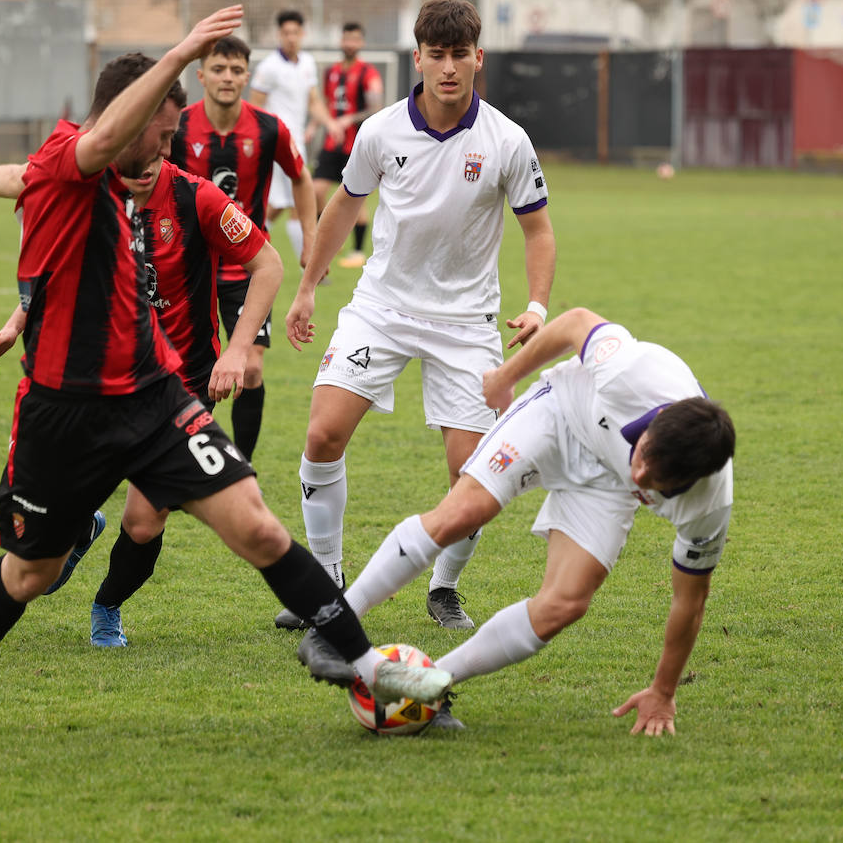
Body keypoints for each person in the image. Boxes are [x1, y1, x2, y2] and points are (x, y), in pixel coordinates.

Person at [0, 6, 452, 730]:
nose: (169, 150)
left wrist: (239, 346)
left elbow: (260, 255)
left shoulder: (172, 188)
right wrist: (181, 51)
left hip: (155, 397)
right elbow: (66, 158)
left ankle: (363, 667)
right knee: (30, 574)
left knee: (259, 528)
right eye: (162, 136)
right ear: (126, 122)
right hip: (62, 411)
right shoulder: (71, 157)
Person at [0, 77, 284, 648]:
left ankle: (108, 605)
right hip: (98, 378)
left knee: (144, 522)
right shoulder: (91, 191)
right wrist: (16, 318)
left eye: (159, 150)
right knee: (43, 550)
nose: (147, 165)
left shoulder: (197, 198)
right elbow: (30, 189)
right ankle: (66, 536)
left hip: (177, 381)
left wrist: (239, 349)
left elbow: (268, 263)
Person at [297, 308, 736, 735]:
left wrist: (663, 690)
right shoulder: (634, 373)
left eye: (656, 483)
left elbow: (689, 602)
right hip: (561, 415)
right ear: (654, 421)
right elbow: (576, 322)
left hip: (603, 487)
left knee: (565, 604)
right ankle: (334, 624)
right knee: (464, 512)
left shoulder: (708, 506)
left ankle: (426, 687)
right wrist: (506, 377)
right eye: (641, 456)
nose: (639, 476)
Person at [279, 0, 557, 633]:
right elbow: (343, 208)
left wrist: (538, 304)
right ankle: (325, 584)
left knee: (475, 474)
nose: (450, 68)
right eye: (438, 55)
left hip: (466, 323)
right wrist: (307, 288)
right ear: (420, 59)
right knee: (322, 435)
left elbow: (538, 232)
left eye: (461, 54)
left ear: (478, 58)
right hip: (381, 308)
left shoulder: (508, 140)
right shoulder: (379, 132)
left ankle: (445, 586)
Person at [171, 35, 317, 465]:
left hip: (247, 270)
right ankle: (178, 457)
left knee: (250, 368)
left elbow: (301, 178)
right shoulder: (177, 126)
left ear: (247, 76)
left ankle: (241, 463)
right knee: (181, 371)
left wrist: (309, 237)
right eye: (218, 69)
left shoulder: (269, 128)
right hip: (188, 270)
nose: (227, 78)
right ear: (201, 76)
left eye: (236, 70)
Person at [248, 9, 343, 264]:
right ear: (280, 35)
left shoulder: (308, 63)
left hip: (297, 144)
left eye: (295, 32)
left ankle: (250, 250)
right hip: (275, 145)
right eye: (286, 33)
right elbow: (254, 108)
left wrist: (330, 123)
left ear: (302, 34)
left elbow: (314, 101)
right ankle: (307, 265)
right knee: (296, 203)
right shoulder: (269, 67)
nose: (291, 37)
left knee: (287, 205)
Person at [314, 22, 384, 270]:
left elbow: (375, 109)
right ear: (341, 41)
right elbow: (324, 103)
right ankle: (331, 237)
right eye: (347, 39)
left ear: (361, 43)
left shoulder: (369, 73)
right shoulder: (330, 72)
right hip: (332, 142)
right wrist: (315, 125)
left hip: (355, 145)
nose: (350, 44)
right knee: (316, 192)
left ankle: (356, 251)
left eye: (355, 39)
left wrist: (347, 120)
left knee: (357, 197)